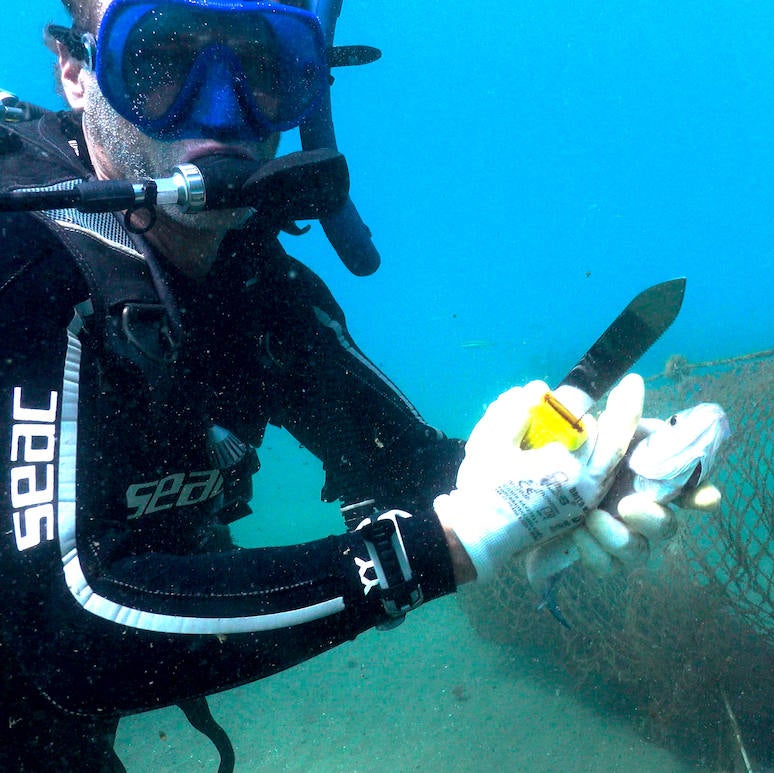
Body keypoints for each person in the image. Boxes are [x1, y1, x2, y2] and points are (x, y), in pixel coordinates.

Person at [0, 1, 724, 770]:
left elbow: (410, 469)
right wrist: (439, 549)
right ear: (77, 74)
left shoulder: (260, 288)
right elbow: (68, 630)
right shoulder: (25, 266)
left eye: (263, 64)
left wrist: (575, 467)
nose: (222, 112)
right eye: (164, 61)